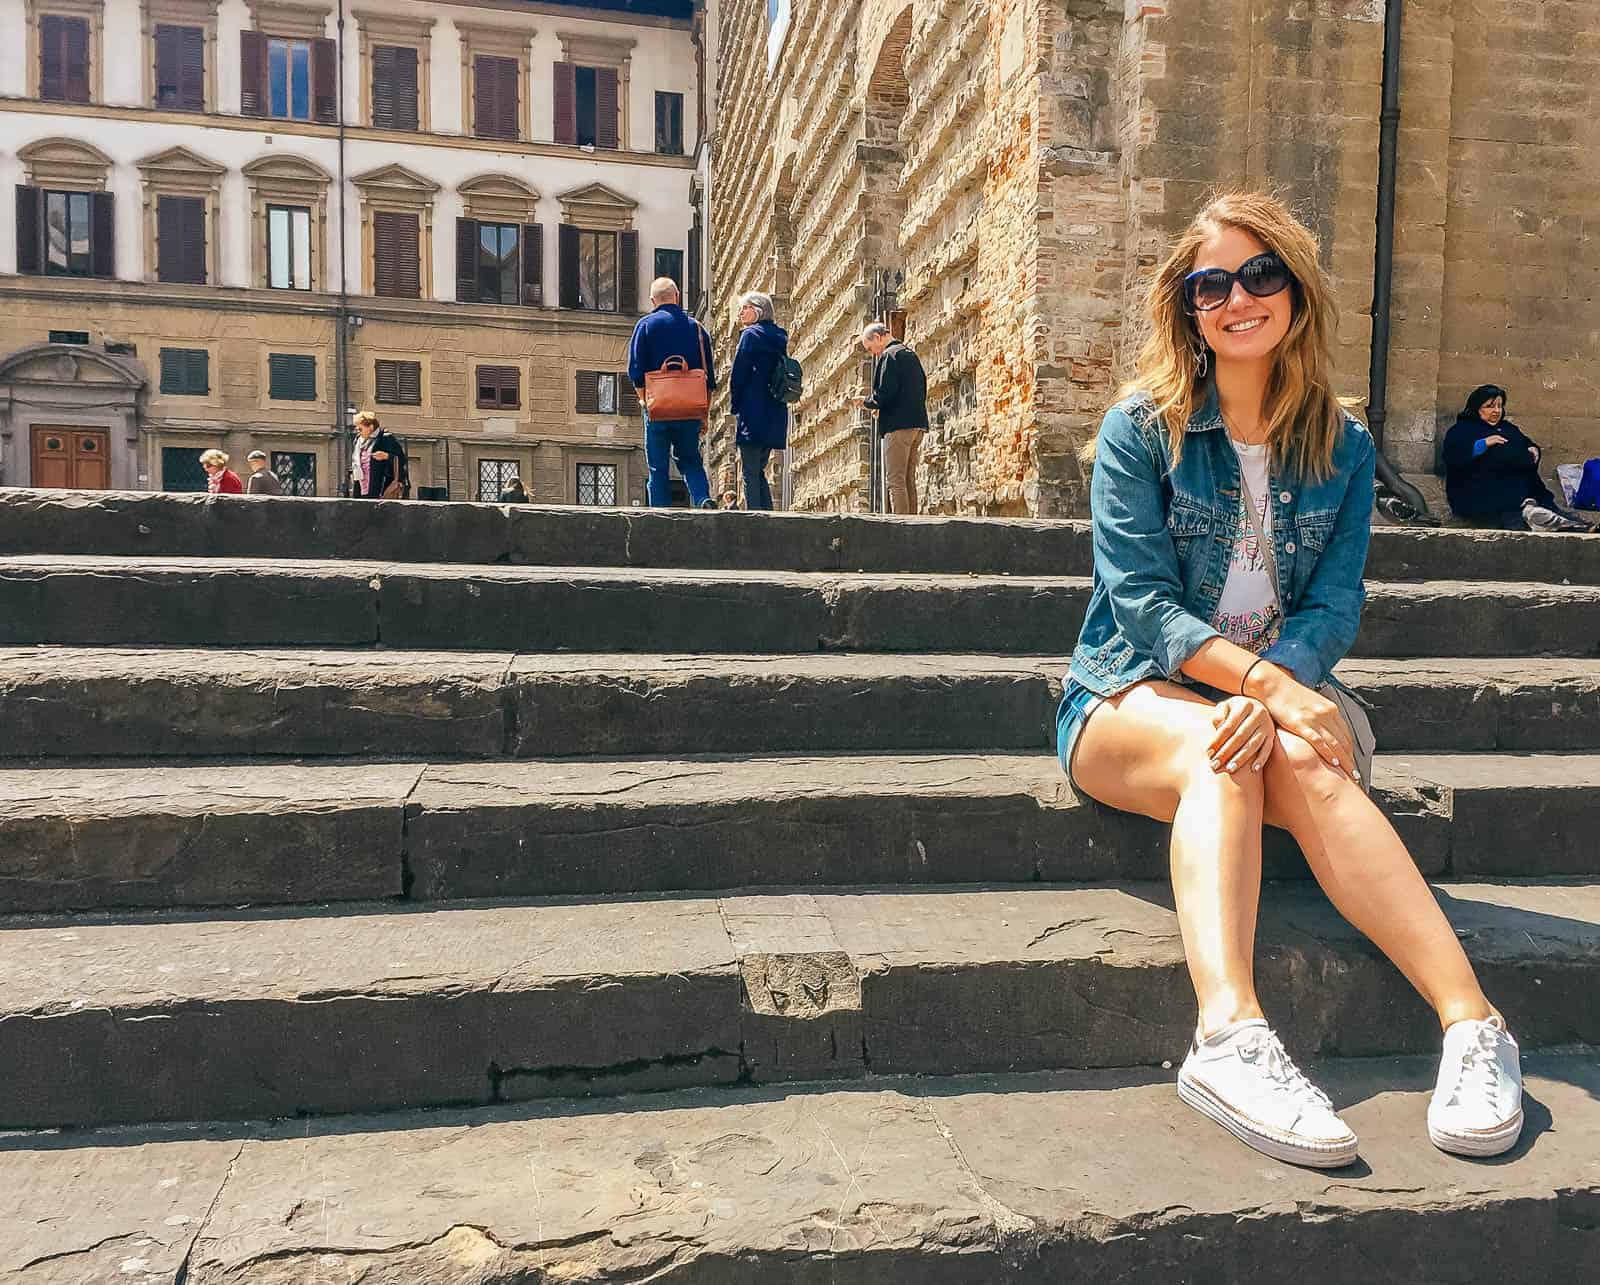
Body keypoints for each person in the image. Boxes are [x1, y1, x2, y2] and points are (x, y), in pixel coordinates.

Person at [1059, 192, 1522, 1168]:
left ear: (1296, 292)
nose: (1238, 297)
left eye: (1260, 274)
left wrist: (1282, 689)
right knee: (1224, 745)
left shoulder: (1342, 447)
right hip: (1128, 695)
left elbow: (1332, 606)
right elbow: (1142, 606)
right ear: (1187, 308)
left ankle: (1473, 1024)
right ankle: (1227, 1035)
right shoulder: (1139, 431)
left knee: (1306, 762)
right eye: (1211, 283)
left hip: (1279, 692)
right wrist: (1264, 692)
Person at [1442, 385, 1588, 532]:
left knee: (1533, 494)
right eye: (1490, 406)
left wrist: (1533, 449)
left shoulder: (1507, 428)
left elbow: (1526, 443)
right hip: (1479, 494)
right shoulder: (1461, 430)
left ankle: (1554, 519)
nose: (1496, 411)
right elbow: (1453, 456)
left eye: (1500, 406)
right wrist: (1484, 444)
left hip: (1516, 491)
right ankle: (1536, 516)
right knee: (1515, 516)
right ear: (1476, 408)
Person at [628, 277, 717, 509]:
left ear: (652, 301)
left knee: (657, 467)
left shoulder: (645, 326)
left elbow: (635, 371)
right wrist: (704, 413)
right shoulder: (697, 328)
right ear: (677, 297)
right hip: (689, 409)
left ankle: (660, 513)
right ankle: (702, 499)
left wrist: (643, 399)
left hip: (657, 408)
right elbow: (709, 377)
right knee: (691, 461)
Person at [860, 323, 929, 514]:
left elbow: (885, 392)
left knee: (895, 481)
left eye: (870, 347)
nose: (872, 353)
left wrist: (867, 403)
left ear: (877, 337)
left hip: (898, 427)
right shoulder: (910, 354)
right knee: (908, 480)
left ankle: (901, 526)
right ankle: (913, 525)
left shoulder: (889, 356)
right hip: (917, 425)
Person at [730, 291, 790, 511]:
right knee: (759, 470)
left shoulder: (749, 336)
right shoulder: (780, 336)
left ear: (757, 311)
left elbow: (739, 373)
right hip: (774, 411)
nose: (741, 312)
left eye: (745, 308)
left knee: (748, 471)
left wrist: (734, 404)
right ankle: (767, 516)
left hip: (752, 410)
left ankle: (754, 520)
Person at [349, 411, 408, 499]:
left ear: (371, 427)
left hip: (379, 488)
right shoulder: (359, 440)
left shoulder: (385, 438)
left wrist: (387, 456)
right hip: (361, 487)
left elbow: (401, 459)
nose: (358, 431)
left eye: (360, 429)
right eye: (357, 428)